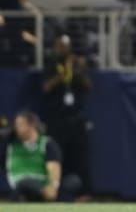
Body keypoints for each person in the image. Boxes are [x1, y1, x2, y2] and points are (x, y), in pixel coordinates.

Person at [41, 34, 92, 199]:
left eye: (65, 46)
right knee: (55, 157)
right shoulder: (50, 65)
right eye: (60, 46)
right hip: (56, 119)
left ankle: (84, 194)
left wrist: (77, 70)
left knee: (80, 158)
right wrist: (63, 75)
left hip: (75, 119)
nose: (62, 49)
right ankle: (54, 193)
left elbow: (88, 86)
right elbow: (46, 88)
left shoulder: (76, 66)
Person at [3, 111, 80, 202]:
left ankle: (57, 204)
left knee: (73, 181)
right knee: (25, 183)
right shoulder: (10, 145)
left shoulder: (47, 144)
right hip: (24, 185)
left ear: (31, 125)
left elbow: (53, 168)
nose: (16, 128)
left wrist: (52, 187)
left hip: (46, 185)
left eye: (20, 124)